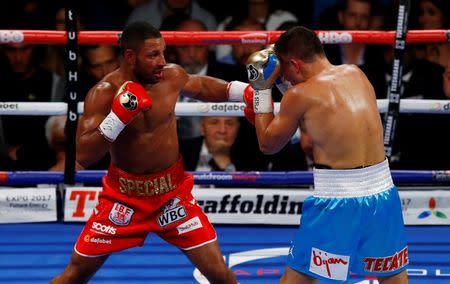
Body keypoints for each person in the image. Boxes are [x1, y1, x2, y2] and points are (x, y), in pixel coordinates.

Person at [50, 21, 253, 284]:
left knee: (220, 274)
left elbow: (201, 86)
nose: (162, 61)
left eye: (163, 53)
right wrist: (117, 118)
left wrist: (243, 91)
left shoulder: (170, 76)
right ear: (131, 57)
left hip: (172, 195)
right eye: (153, 55)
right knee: (75, 274)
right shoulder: (104, 92)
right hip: (123, 198)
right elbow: (83, 155)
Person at [243, 26, 409, 283]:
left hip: (338, 200)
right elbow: (322, 122)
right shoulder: (356, 73)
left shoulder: (299, 95)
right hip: (384, 194)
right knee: (393, 279)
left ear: (295, 64)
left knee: (297, 278)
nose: (284, 80)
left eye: (284, 73)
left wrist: (263, 89)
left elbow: (268, 144)